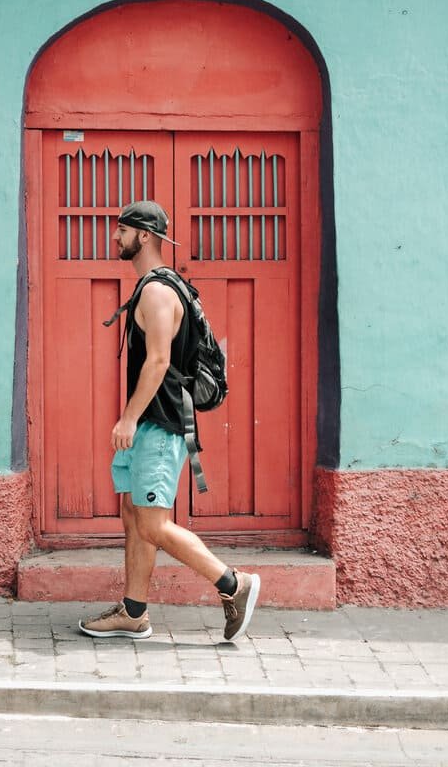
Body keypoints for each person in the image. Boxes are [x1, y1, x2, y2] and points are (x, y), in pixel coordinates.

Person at [78, 200, 261, 643]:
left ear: (143, 236)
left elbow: (158, 360)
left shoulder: (159, 292)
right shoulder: (152, 287)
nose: (115, 239)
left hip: (159, 426)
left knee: (154, 524)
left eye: (121, 231)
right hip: (148, 427)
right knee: (133, 514)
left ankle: (234, 585)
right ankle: (134, 612)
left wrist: (128, 418)